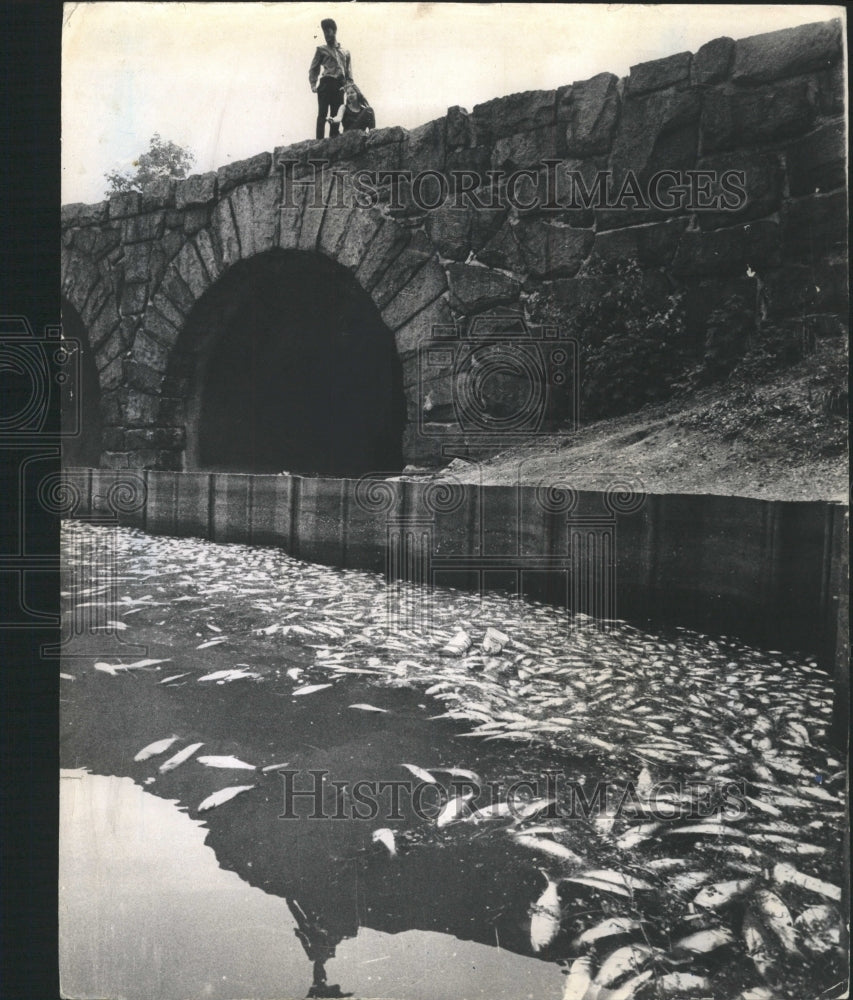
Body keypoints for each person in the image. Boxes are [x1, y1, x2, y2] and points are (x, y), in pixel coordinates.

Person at [309, 19, 353, 140]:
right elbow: (313, 68)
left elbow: (349, 73)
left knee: (336, 115)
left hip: (339, 86)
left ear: (334, 31)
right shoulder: (320, 49)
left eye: (328, 31)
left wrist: (350, 87)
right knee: (322, 114)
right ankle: (319, 142)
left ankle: (333, 142)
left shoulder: (345, 52)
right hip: (326, 83)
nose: (326, 35)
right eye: (324, 32)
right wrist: (313, 83)